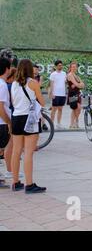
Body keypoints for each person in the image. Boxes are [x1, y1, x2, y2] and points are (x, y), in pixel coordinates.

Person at [11, 59, 46, 193]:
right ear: (30, 69)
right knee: (28, 152)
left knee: (16, 150)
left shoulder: (14, 84)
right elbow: (42, 102)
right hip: (29, 118)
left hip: (16, 117)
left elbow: (14, 102)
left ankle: (15, 182)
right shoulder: (33, 83)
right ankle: (29, 184)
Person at [0, 58, 12, 188]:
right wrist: (8, 121)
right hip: (1, 122)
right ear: (7, 69)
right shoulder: (2, 85)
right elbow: (0, 107)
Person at [49, 60, 67, 129]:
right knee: (54, 109)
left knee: (60, 109)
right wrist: (52, 94)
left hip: (62, 94)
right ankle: (51, 124)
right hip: (55, 94)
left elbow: (64, 83)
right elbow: (51, 84)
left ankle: (59, 124)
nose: (61, 66)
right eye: (59, 65)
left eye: (61, 65)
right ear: (56, 66)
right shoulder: (53, 74)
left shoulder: (64, 73)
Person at [67, 62, 84, 129]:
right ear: (70, 68)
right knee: (76, 108)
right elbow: (77, 84)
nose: (74, 68)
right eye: (73, 67)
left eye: (75, 67)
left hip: (78, 93)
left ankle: (73, 123)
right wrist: (78, 84)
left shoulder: (77, 76)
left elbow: (83, 85)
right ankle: (74, 122)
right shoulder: (70, 75)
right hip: (72, 94)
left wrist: (78, 84)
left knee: (77, 109)